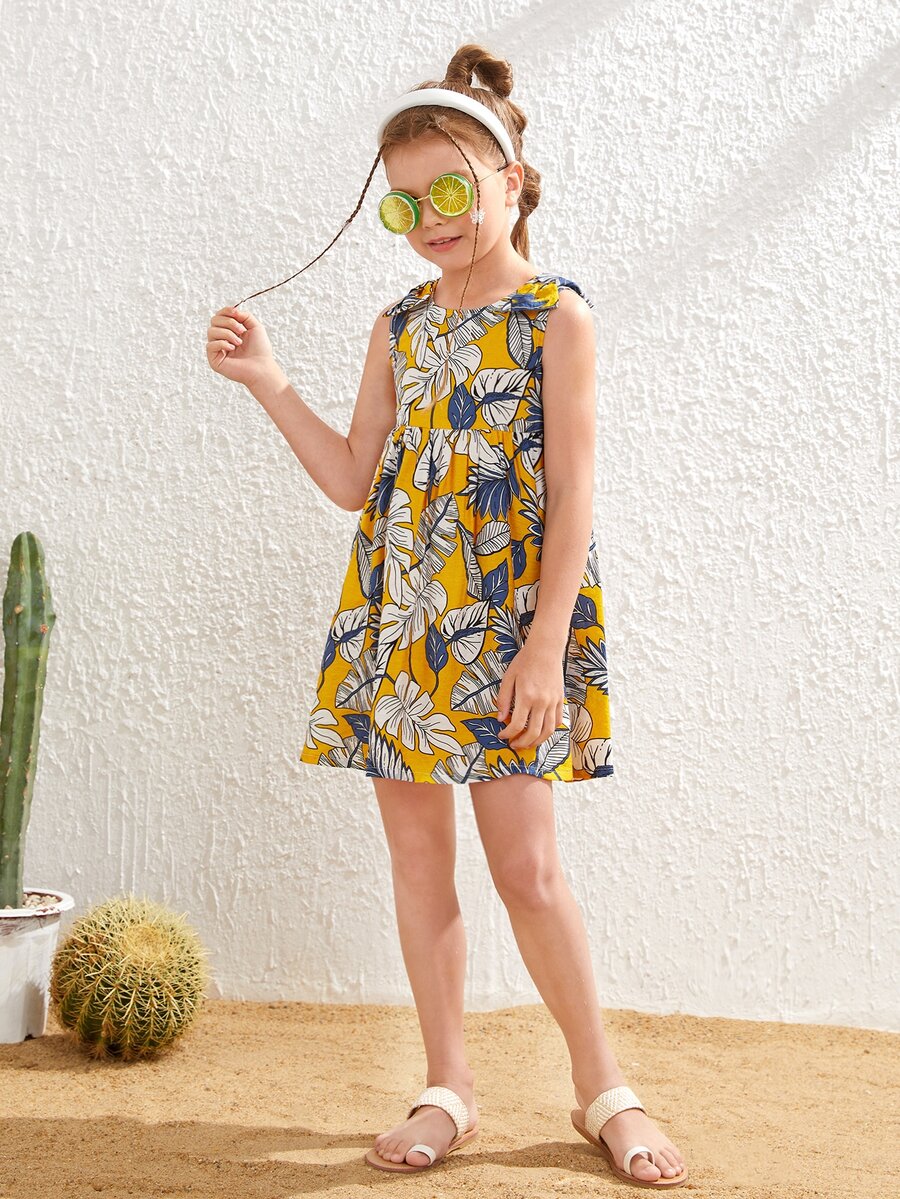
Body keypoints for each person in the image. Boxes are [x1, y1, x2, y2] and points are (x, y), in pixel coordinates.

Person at [205, 41, 688, 1190]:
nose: (432, 221)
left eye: (453, 193)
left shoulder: (556, 318)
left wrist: (543, 649)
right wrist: (270, 380)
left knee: (528, 868)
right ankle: (447, 1084)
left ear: (511, 181)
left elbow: (571, 493)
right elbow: (353, 478)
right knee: (420, 864)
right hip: (402, 626)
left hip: (510, 630)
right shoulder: (399, 325)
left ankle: (604, 1089)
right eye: (405, 204)